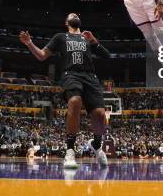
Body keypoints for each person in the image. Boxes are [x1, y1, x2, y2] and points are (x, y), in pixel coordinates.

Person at [19, 13, 109, 169]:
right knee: (75, 101)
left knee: (100, 114)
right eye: (71, 15)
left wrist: (94, 41)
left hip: (90, 77)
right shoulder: (60, 37)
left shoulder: (87, 37)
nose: (75, 15)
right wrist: (29, 43)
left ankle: (96, 144)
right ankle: (70, 151)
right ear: (66, 22)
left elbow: (107, 56)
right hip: (71, 74)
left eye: (76, 14)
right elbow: (41, 56)